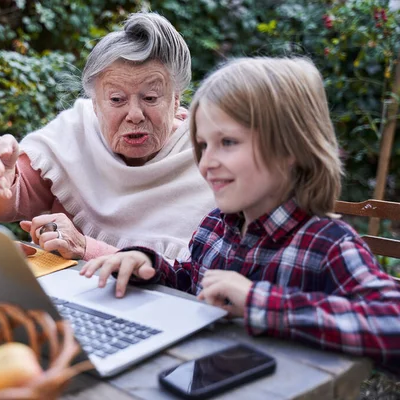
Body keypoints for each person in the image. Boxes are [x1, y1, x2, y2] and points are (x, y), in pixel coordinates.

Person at [80, 57, 400, 374]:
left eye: (228, 142)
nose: (206, 163)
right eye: (203, 146)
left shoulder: (327, 244)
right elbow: (195, 283)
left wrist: (257, 301)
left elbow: (392, 323)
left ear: (290, 148)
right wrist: (149, 265)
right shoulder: (215, 226)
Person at [0, 12, 215, 261]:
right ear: (95, 104)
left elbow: (199, 275)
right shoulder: (77, 130)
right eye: (117, 99)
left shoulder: (211, 156)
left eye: (150, 98)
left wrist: (87, 248)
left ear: (176, 100)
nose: (134, 115)